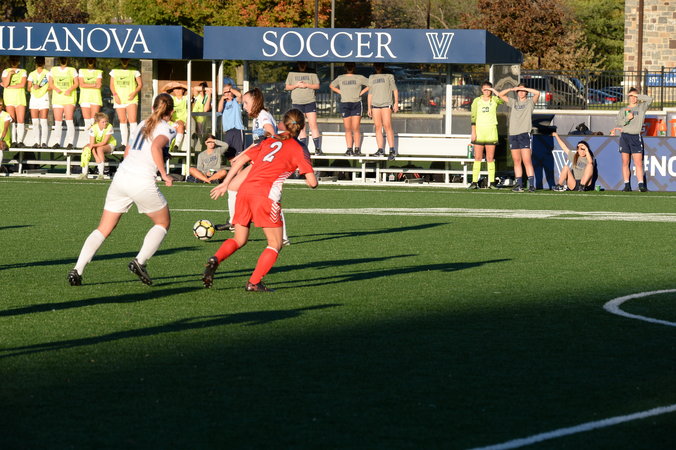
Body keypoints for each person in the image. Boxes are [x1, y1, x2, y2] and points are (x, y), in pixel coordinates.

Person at [202, 108, 318, 291]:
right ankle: (254, 282)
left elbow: (240, 160)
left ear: (282, 124)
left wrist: (225, 184)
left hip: (244, 191)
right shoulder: (299, 148)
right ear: (303, 127)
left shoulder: (269, 141)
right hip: (265, 196)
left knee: (239, 239)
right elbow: (312, 183)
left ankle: (215, 258)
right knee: (275, 243)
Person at [67, 93, 176, 286]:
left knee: (103, 228)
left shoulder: (142, 124)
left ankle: (77, 269)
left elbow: (127, 152)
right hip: (141, 181)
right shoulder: (168, 128)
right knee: (163, 222)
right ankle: (140, 261)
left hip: (121, 177)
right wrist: (164, 174)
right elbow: (155, 148)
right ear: (172, 112)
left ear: (153, 108)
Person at [216, 87, 278, 233]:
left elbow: (271, 133)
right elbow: (256, 143)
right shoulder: (257, 117)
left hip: (265, 162)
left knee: (263, 199)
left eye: (246, 103)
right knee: (235, 187)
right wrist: (240, 156)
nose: (244, 107)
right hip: (259, 160)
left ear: (255, 102)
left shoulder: (263, 116)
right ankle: (234, 222)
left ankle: (237, 222)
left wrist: (265, 134)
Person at [500, 83, 540, 192]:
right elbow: (500, 95)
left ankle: (531, 185)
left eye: (523, 91)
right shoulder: (514, 102)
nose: (521, 93)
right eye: (519, 91)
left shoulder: (530, 102)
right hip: (513, 134)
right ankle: (519, 185)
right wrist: (511, 89)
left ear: (526, 92)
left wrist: (524, 88)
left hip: (524, 133)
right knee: (517, 161)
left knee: (527, 160)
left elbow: (537, 93)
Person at [468, 81, 504, 189]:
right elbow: (473, 117)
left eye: (489, 89)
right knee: (478, 157)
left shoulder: (494, 100)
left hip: (491, 132)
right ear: (481, 90)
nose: (487, 91)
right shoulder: (477, 101)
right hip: (479, 132)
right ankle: (474, 182)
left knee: (490, 158)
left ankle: (492, 183)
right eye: (485, 89)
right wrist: (473, 132)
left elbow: (502, 98)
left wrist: (493, 90)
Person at [616, 88, 652, 192]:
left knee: (638, 162)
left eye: (635, 96)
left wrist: (638, 96)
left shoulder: (641, 108)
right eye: (631, 96)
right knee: (625, 161)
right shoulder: (623, 110)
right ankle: (627, 185)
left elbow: (650, 99)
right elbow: (618, 122)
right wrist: (627, 118)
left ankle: (641, 185)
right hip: (625, 137)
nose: (633, 98)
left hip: (635, 136)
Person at [330, 62, 369, 156]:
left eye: (351, 66)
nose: (350, 68)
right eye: (348, 66)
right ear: (345, 68)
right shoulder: (341, 77)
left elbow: (370, 84)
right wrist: (340, 92)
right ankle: (349, 149)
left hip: (356, 103)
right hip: (345, 103)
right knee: (347, 128)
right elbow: (331, 85)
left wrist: (361, 92)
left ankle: (357, 149)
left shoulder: (359, 77)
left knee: (355, 127)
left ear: (354, 67)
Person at [285, 62, 322, 155]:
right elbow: (287, 87)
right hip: (297, 102)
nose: (302, 65)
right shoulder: (292, 73)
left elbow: (317, 86)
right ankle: (303, 149)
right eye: (301, 64)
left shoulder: (312, 72)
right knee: (301, 126)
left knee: (313, 124)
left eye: (304, 64)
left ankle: (317, 149)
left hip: (310, 101)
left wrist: (306, 85)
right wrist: (296, 85)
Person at [367, 63, 399, 160]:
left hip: (386, 104)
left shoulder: (389, 76)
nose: (378, 67)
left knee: (387, 125)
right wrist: (369, 107)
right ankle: (380, 150)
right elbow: (370, 93)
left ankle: (392, 150)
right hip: (375, 105)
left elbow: (395, 90)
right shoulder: (371, 77)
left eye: (379, 65)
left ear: (382, 66)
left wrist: (396, 103)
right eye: (376, 65)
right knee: (377, 127)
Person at [110, 58, 142, 151]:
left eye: (126, 59)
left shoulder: (134, 70)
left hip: (131, 99)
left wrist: (134, 93)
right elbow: (111, 85)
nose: (124, 61)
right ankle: (124, 143)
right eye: (123, 59)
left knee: (132, 120)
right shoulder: (114, 70)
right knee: (122, 120)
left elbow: (140, 84)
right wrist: (115, 95)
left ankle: (132, 143)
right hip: (119, 99)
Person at [49, 57, 79, 149]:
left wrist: (70, 89)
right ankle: (57, 142)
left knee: (69, 120)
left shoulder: (72, 70)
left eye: (65, 59)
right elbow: (50, 83)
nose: (64, 60)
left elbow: (76, 83)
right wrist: (56, 89)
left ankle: (70, 143)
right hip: (57, 99)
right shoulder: (53, 69)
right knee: (58, 121)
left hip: (69, 98)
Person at [79, 112, 118, 180]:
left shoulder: (109, 126)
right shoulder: (93, 128)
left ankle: (101, 174)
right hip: (97, 145)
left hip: (109, 144)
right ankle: (84, 174)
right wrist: (96, 157)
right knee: (86, 149)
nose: (105, 123)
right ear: (98, 122)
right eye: (103, 122)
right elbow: (92, 144)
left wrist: (91, 145)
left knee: (99, 149)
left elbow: (104, 142)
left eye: (106, 121)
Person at [1, 56, 27, 147]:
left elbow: (22, 84)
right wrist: (10, 74)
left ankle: (20, 141)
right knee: (12, 120)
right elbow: (5, 84)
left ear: (19, 62)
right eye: (13, 60)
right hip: (9, 98)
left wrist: (9, 86)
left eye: (16, 60)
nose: (14, 62)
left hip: (20, 98)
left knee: (20, 120)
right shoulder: (6, 71)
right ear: (10, 62)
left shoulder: (23, 71)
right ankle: (14, 141)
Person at [27, 56, 50, 148]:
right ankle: (37, 142)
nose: (40, 63)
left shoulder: (48, 73)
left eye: (41, 61)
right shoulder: (32, 74)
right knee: (35, 122)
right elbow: (28, 88)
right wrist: (34, 87)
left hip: (44, 99)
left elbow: (51, 86)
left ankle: (44, 142)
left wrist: (41, 87)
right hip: (34, 99)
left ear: (43, 63)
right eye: (38, 61)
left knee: (43, 122)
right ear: (36, 63)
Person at [217, 81, 244, 155]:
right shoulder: (223, 103)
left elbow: (239, 95)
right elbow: (219, 110)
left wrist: (230, 89)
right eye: (225, 92)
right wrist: (222, 98)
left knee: (238, 153)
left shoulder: (236, 101)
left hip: (237, 129)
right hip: (228, 131)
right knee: (228, 153)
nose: (227, 93)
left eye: (229, 92)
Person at [78, 57, 103, 130]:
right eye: (88, 59)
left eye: (92, 59)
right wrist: (94, 85)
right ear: (86, 61)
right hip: (84, 98)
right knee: (87, 123)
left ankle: (94, 137)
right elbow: (81, 84)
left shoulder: (98, 71)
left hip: (96, 98)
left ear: (95, 61)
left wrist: (86, 85)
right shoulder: (81, 71)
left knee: (94, 122)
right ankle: (87, 137)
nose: (90, 61)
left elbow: (99, 85)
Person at [163, 81, 189, 151]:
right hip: (171, 121)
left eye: (179, 88)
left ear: (183, 90)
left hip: (182, 121)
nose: (177, 90)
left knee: (180, 125)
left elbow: (191, 90)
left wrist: (181, 85)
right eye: (176, 88)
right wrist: (169, 85)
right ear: (173, 90)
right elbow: (163, 91)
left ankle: (176, 145)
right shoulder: (171, 98)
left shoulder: (185, 98)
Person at [0, 99, 12, 169]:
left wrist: (1, 140)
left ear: (3, 107)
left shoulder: (6, 115)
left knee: (0, 147)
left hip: (4, 139)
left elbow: (5, 129)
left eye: (0, 105)